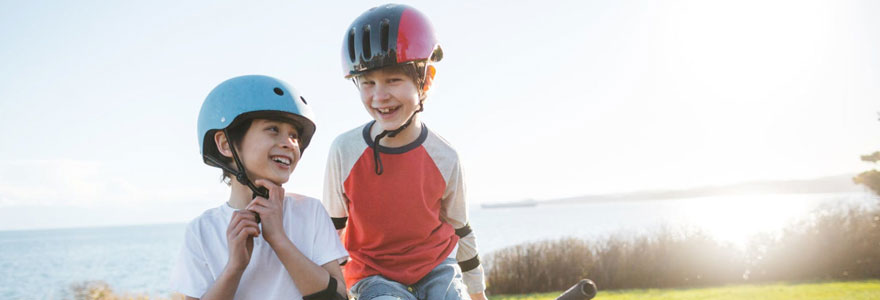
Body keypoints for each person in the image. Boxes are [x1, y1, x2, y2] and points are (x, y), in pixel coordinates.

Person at [323, 4, 487, 300]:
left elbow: (461, 230)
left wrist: (477, 294)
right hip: (373, 275)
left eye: (393, 80)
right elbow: (331, 234)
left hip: (437, 268)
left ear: (426, 79)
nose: (379, 96)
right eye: (368, 82)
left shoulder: (445, 156)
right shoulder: (344, 152)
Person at [172, 75, 348, 300]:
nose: (289, 143)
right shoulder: (202, 231)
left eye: (294, 135)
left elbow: (339, 297)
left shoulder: (310, 212)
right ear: (226, 144)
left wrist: (279, 240)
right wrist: (234, 267)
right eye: (273, 129)